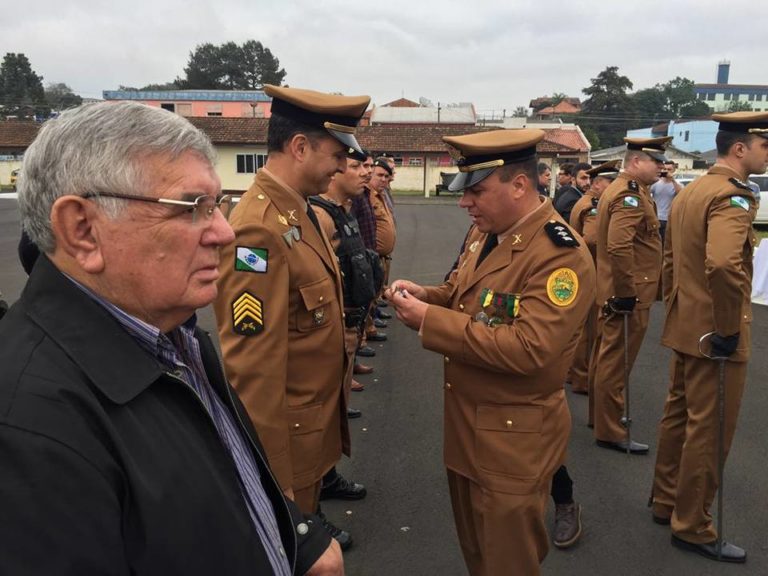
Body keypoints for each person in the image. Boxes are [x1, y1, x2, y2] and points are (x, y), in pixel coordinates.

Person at [0, 101, 341, 575]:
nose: (224, 232)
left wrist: (295, 538)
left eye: (217, 205)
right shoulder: (29, 427)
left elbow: (229, 477)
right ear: (83, 230)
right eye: (193, 208)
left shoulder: (174, 337)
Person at [386, 129, 595, 576]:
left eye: (477, 191)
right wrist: (430, 295)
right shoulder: (490, 234)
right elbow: (469, 297)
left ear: (519, 186)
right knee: (478, 555)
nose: (465, 203)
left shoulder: (561, 255)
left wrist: (428, 319)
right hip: (468, 429)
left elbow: (528, 348)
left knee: (506, 563)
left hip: (511, 440)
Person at [213, 84, 370, 550]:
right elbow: (252, 367)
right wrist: (270, 471)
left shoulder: (296, 214)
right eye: (337, 156)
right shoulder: (258, 229)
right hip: (290, 445)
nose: (344, 167)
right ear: (299, 148)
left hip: (312, 431)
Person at [650, 111, 768, 563]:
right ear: (740, 149)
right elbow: (723, 264)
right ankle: (694, 525)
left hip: (686, 324)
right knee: (710, 428)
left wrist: (675, 306)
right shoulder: (730, 196)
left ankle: (666, 501)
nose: (765, 154)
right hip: (714, 332)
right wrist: (726, 327)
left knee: (679, 416)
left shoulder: (692, 190)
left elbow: (670, 256)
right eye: (763, 145)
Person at [310, 152, 383, 501]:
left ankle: (327, 475)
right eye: (354, 167)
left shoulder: (345, 210)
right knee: (322, 412)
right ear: (336, 172)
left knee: (335, 406)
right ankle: (318, 485)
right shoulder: (321, 215)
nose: (363, 173)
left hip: (351, 321)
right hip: (333, 325)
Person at [591, 136, 670, 454]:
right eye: (656, 162)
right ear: (636, 162)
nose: (662, 167)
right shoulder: (629, 195)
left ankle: (601, 421)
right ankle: (611, 431)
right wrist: (626, 293)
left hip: (621, 289)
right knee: (616, 362)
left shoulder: (633, 192)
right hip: (628, 293)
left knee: (607, 358)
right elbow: (620, 245)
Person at [567, 160, 620, 397]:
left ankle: (576, 373)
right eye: (611, 183)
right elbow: (590, 239)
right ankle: (582, 377)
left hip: (584, 271)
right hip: (593, 271)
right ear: (598, 184)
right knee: (588, 329)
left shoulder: (587, 201)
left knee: (582, 328)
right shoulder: (593, 206)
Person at [649, 161, 683, 244]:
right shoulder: (656, 183)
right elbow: (645, 192)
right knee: (655, 242)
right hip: (656, 218)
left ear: (674, 170)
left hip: (669, 219)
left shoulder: (677, 184)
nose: (666, 171)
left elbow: (681, 195)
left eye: (669, 169)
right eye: (664, 169)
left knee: (667, 243)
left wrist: (672, 180)